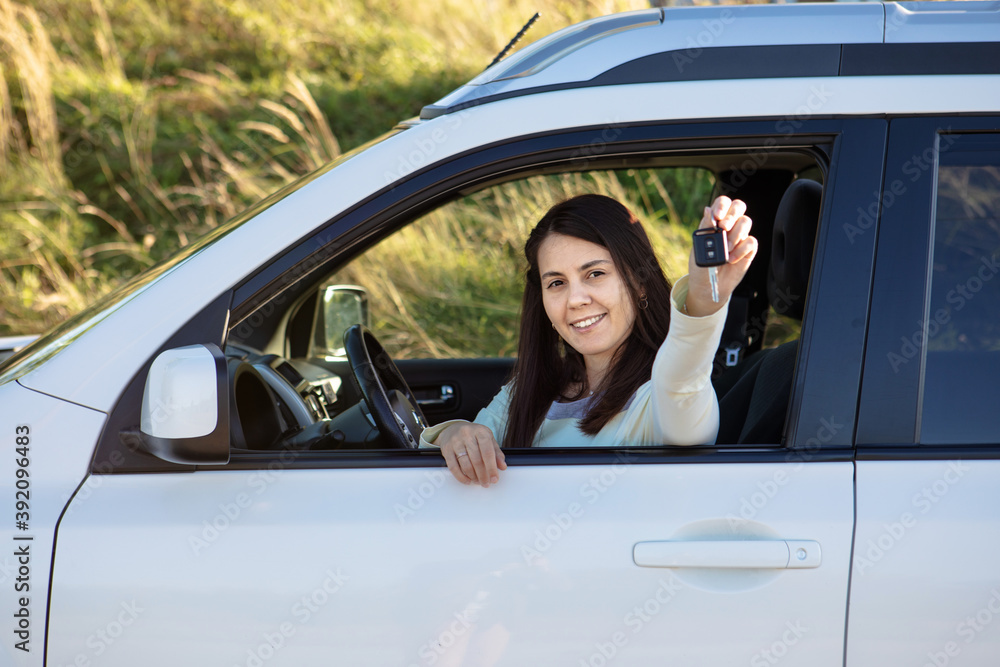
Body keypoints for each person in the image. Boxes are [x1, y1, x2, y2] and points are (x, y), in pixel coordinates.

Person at [419, 193, 756, 487]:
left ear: (639, 282)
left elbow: (682, 378)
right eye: (556, 283)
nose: (575, 299)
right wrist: (453, 434)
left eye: (595, 274)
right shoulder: (526, 393)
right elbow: (445, 466)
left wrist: (700, 299)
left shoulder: (660, 397)